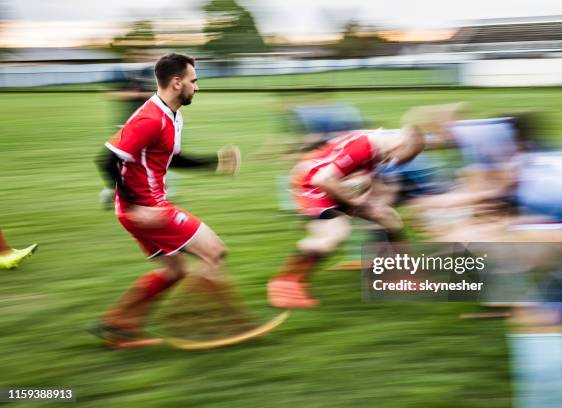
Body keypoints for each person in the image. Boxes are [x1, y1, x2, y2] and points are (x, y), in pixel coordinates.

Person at [91, 53, 241, 345]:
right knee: (214, 252)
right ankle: (214, 327)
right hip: (145, 209)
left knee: (175, 271)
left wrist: (215, 163)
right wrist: (137, 207)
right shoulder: (149, 118)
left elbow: (171, 158)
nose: (196, 87)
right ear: (176, 82)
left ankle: (117, 325)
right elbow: (106, 160)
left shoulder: (172, 116)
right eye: (193, 81)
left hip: (145, 208)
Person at [267, 126, 424, 308]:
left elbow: (363, 176)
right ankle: (286, 282)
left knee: (389, 218)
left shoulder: (380, 143)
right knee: (333, 234)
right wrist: (354, 202)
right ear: (399, 143)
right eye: (400, 157)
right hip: (311, 185)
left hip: (335, 184)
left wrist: (367, 199)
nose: (395, 162)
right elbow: (321, 179)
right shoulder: (363, 147)